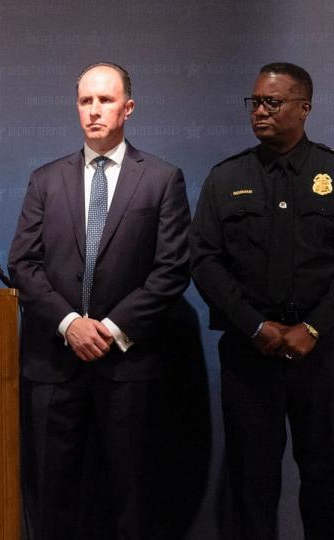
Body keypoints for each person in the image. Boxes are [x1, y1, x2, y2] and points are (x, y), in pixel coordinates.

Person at [8, 63, 191, 538]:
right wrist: (70, 323)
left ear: (128, 108)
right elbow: (22, 265)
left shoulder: (163, 179)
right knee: (51, 499)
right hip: (53, 364)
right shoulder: (45, 180)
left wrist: (108, 329)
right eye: (86, 101)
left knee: (134, 500)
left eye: (105, 100)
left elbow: (171, 270)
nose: (94, 111)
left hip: (128, 367)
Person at [191, 62, 334, 539]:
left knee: (324, 478)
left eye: (274, 102)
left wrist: (313, 328)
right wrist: (255, 325)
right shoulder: (227, 176)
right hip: (251, 354)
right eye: (255, 102)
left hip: (323, 354)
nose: (260, 111)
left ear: (305, 108)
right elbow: (205, 261)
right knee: (252, 482)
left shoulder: (330, 173)